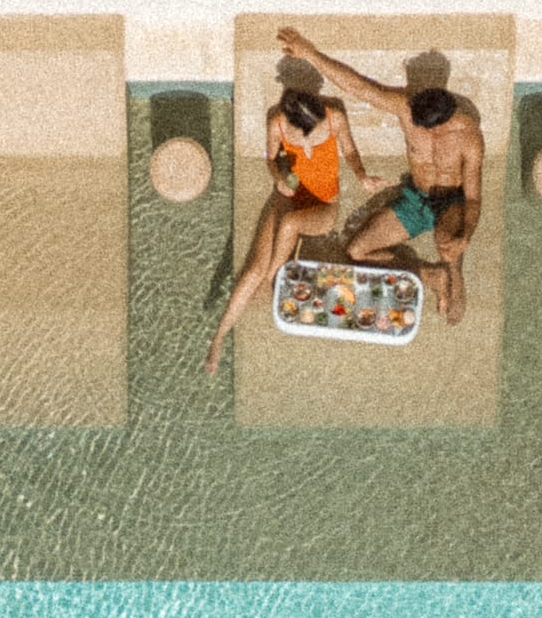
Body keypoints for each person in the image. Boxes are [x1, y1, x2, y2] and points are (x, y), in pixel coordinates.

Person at [277, 26, 484, 326]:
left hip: (449, 204)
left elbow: (474, 198)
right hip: (416, 199)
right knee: (357, 252)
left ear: (444, 122)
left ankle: (453, 266)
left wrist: (465, 234)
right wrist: (309, 53)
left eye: (428, 128)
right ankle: (430, 274)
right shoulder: (406, 106)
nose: (419, 131)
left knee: (451, 282)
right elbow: (359, 87)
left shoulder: (469, 136)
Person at [205, 85, 381, 374]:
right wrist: (277, 178)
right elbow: (271, 158)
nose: (313, 131)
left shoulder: (333, 116)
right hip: (289, 195)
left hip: (325, 205)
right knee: (252, 269)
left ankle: (270, 280)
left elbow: (349, 149)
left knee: (288, 227)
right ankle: (219, 337)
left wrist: (361, 175)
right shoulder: (277, 122)